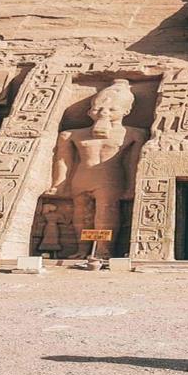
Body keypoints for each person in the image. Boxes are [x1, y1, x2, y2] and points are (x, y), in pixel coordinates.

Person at [47, 79, 147, 259]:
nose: (103, 113)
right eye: (98, 108)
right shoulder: (71, 135)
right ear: (89, 111)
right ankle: (82, 249)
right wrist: (59, 184)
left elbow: (134, 163)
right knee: (81, 215)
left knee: (106, 213)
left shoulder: (133, 134)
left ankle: (103, 250)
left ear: (126, 111)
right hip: (81, 178)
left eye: (111, 109)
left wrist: (132, 186)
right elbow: (64, 161)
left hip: (110, 179)